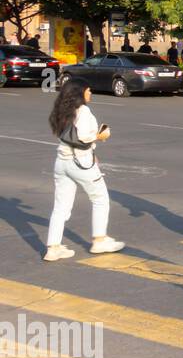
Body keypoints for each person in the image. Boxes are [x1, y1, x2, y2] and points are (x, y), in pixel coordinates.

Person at [42, 79, 124, 261]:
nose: (90, 93)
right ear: (80, 93)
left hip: (62, 162)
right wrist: (101, 136)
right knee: (100, 198)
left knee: (61, 207)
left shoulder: (62, 111)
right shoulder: (84, 112)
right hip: (81, 163)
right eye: (88, 91)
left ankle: (53, 247)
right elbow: (84, 136)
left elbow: (70, 136)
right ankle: (99, 240)